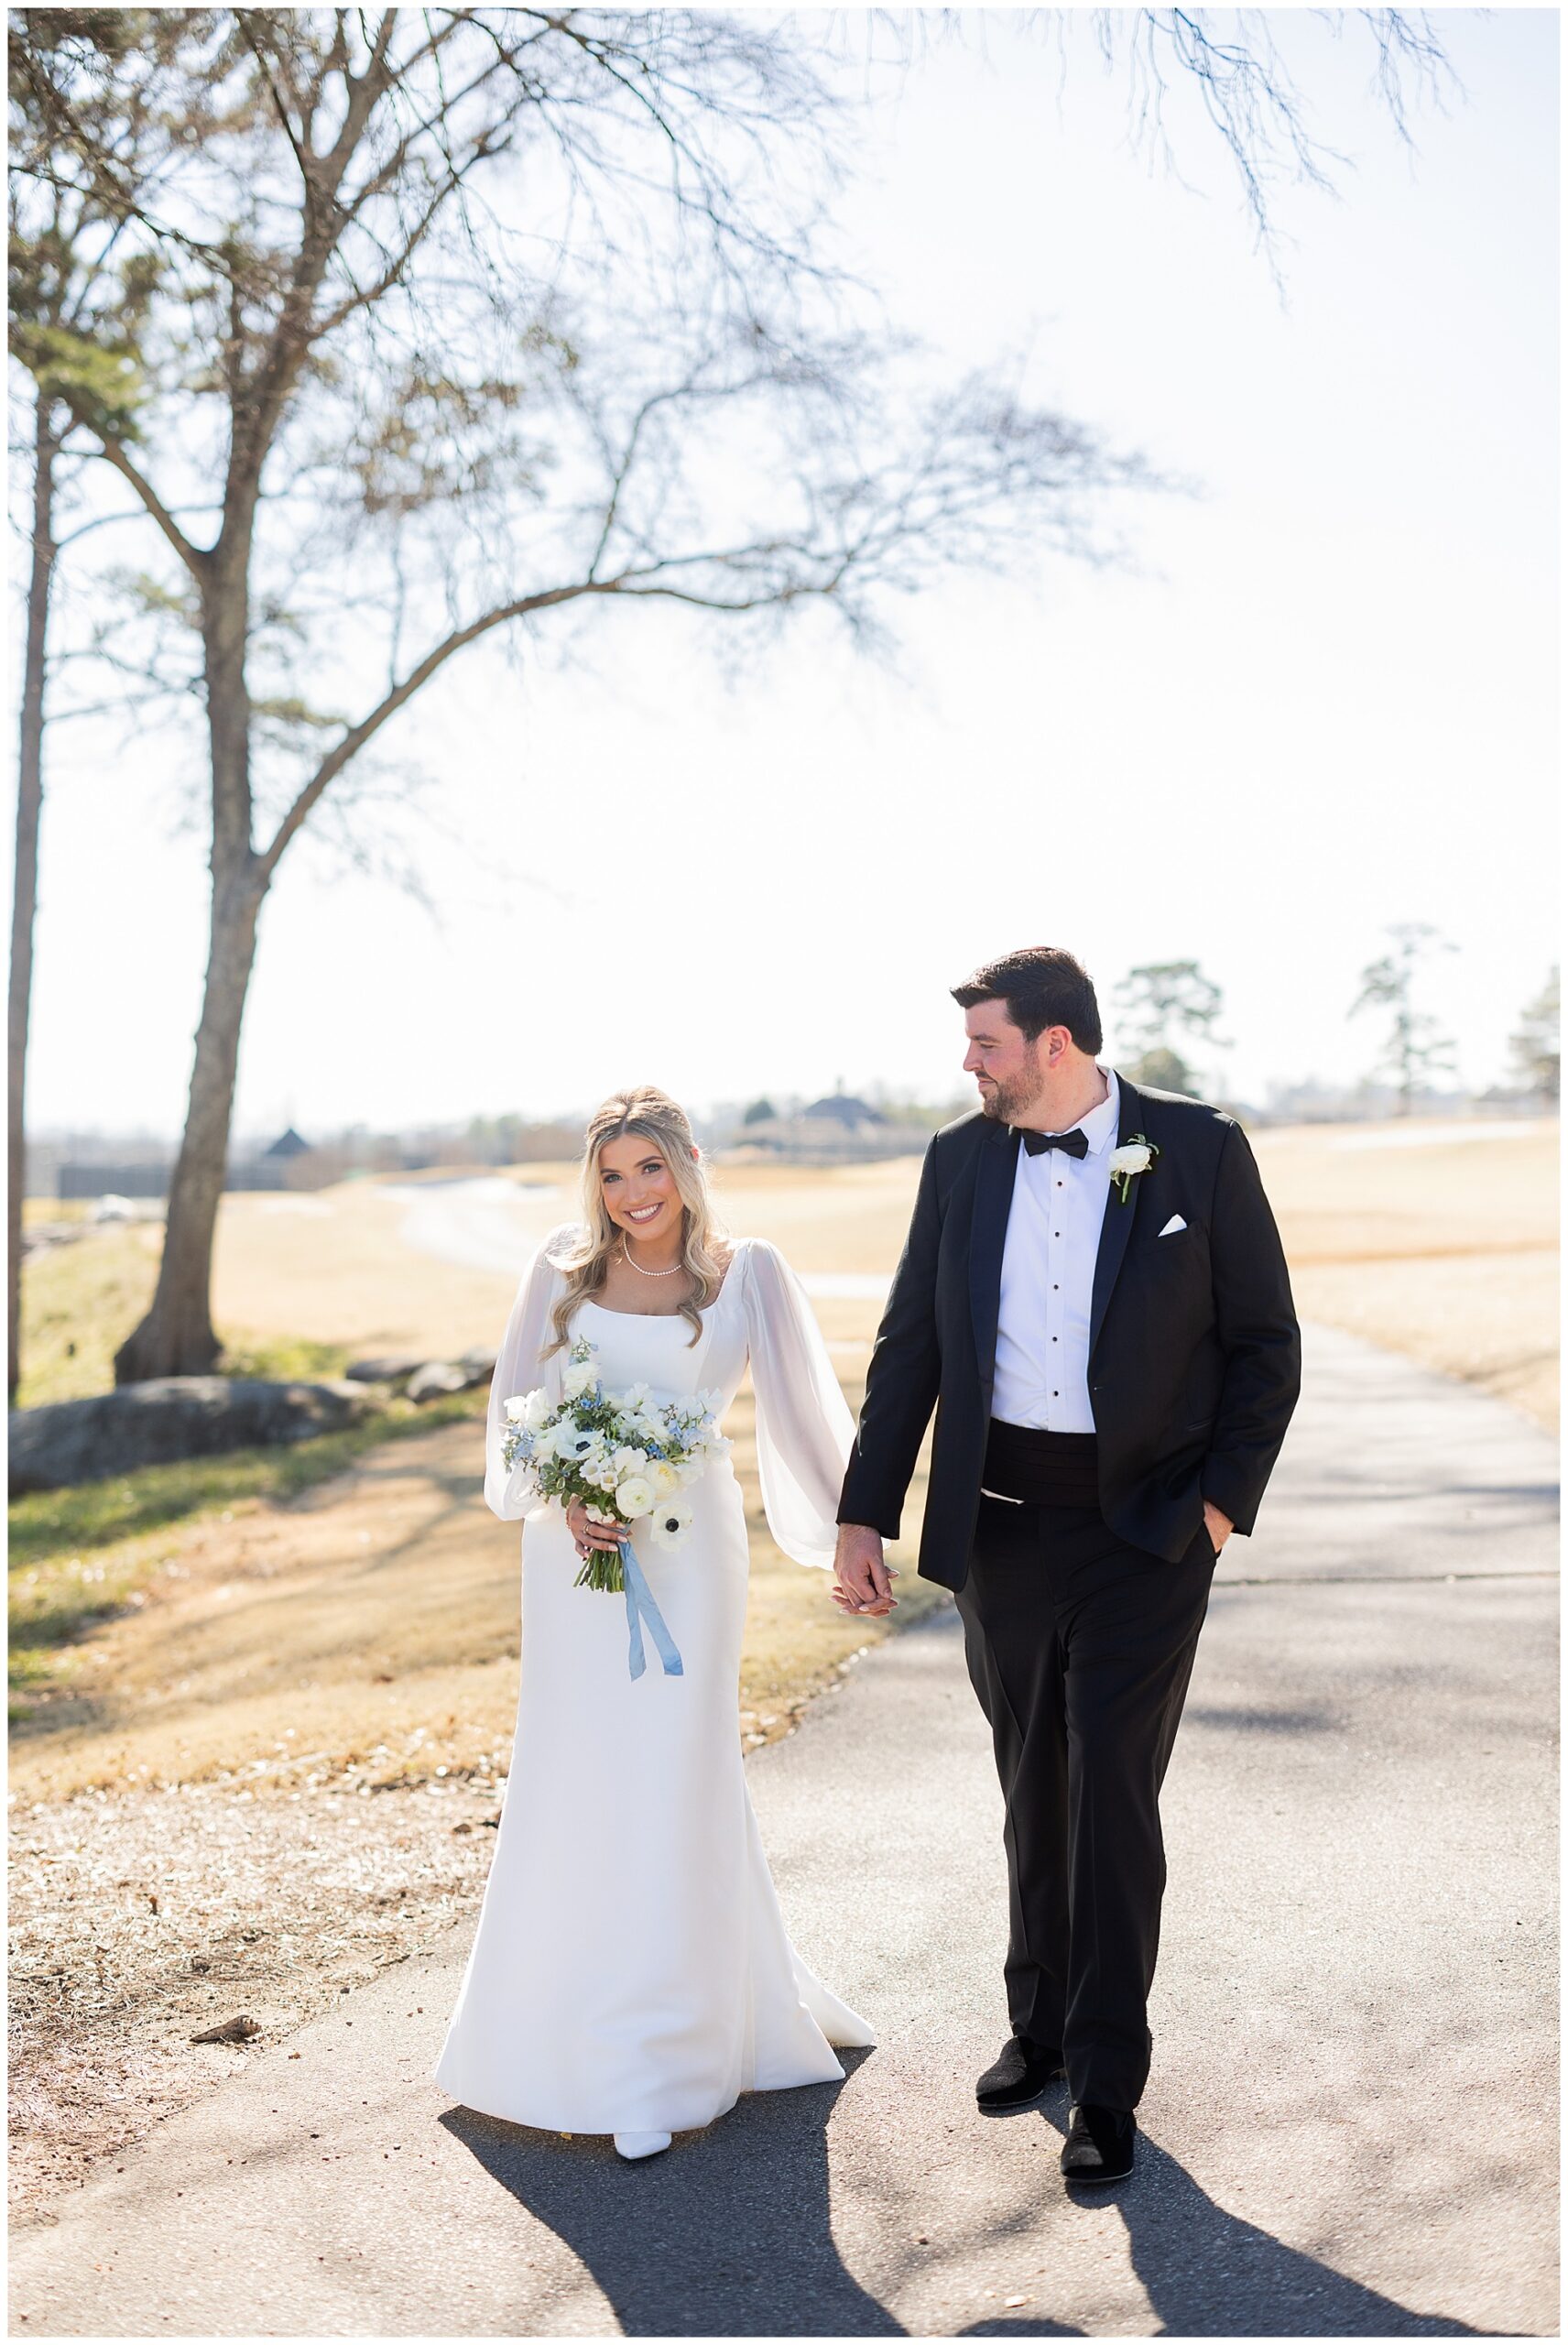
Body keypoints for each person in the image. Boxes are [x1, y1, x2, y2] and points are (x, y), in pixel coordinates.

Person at [833, 947, 1301, 2184]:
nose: (968, 1064)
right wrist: (862, 1516)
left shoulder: (1196, 1148)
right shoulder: (959, 1159)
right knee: (1031, 1779)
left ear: (1056, 1044)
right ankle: (1035, 2026)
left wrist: (1217, 1510)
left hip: (1147, 1531)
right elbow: (911, 1347)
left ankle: (1105, 2080)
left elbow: (1265, 1344)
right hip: (1001, 1527)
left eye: (985, 1042)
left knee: (1110, 1795)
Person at [436, 1086, 872, 2162]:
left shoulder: (746, 1274)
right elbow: (513, 1416)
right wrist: (559, 1494)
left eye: (649, 1167)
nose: (632, 1193)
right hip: (571, 1555)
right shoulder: (557, 1271)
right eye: (611, 1173)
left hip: (689, 1557)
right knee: (578, 1769)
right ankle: (557, 2021)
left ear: (685, 1166)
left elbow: (809, 1418)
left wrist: (852, 1539)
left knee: (678, 1771)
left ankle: (664, 2052)